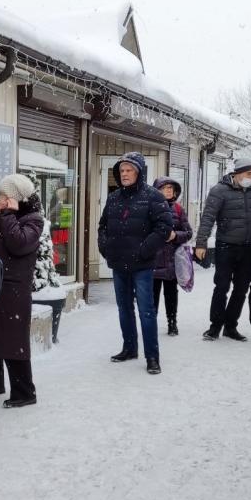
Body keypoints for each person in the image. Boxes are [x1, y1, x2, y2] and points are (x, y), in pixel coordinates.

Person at [97, 152, 172, 374]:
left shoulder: (153, 197)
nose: (125, 174)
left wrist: (144, 250)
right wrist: (105, 246)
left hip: (141, 265)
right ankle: (129, 348)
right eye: (121, 171)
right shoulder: (113, 198)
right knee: (124, 308)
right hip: (119, 262)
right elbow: (103, 226)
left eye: (129, 170)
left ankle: (152, 357)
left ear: (139, 172)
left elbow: (163, 227)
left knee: (146, 311)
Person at [0, 174, 45, 407]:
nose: (1, 198)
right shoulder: (1, 215)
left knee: (13, 340)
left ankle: (25, 392)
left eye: (5, 195)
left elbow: (18, 243)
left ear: (16, 198)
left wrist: (7, 215)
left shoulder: (34, 220)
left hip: (13, 288)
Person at [194, 159, 251, 342]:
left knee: (241, 289)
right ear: (237, 173)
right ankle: (215, 327)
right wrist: (201, 244)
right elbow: (207, 219)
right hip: (225, 246)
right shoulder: (219, 191)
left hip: (248, 248)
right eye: (248, 174)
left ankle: (231, 327)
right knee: (221, 287)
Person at [151, 175, 193, 337]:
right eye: (165, 188)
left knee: (171, 294)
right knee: (152, 295)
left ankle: (172, 322)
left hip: (171, 261)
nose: (169, 191)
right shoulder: (149, 208)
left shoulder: (178, 209)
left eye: (171, 188)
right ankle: (151, 323)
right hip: (153, 260)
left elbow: (188, 233)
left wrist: (175, 235)